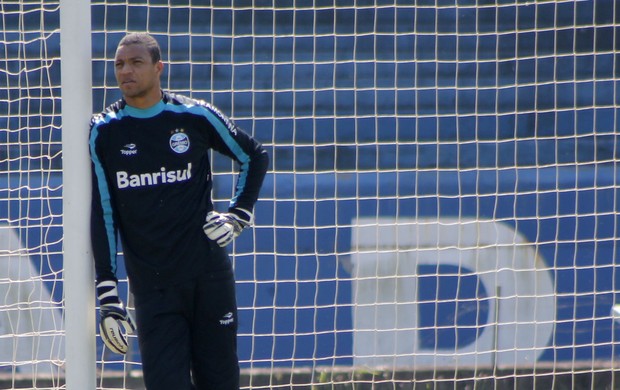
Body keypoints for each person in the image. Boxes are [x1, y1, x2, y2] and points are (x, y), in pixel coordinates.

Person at [89, 32, 269, 390]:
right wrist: (109, 295)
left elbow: (255, 155)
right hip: (153, 290)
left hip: (209, 279)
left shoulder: (194, 116)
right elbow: (105, 213)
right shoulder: (104, 131)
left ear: (159, 67)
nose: (126, 71)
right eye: (119, 64)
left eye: (136, 62)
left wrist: (238, 215)